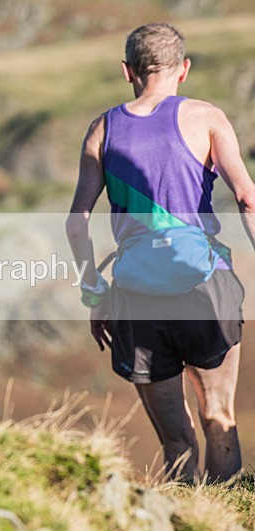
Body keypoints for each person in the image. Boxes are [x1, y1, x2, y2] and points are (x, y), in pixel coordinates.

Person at [66, 23, 255, 482]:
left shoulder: (103, 129)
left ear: (126, 71)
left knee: (176, 440)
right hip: (205, 287)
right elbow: (248, 198)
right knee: (219, 418)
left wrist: (96, 294)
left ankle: (185, 521)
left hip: (136, 297)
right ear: (184, 70)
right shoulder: (207, 117)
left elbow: (78, 221)